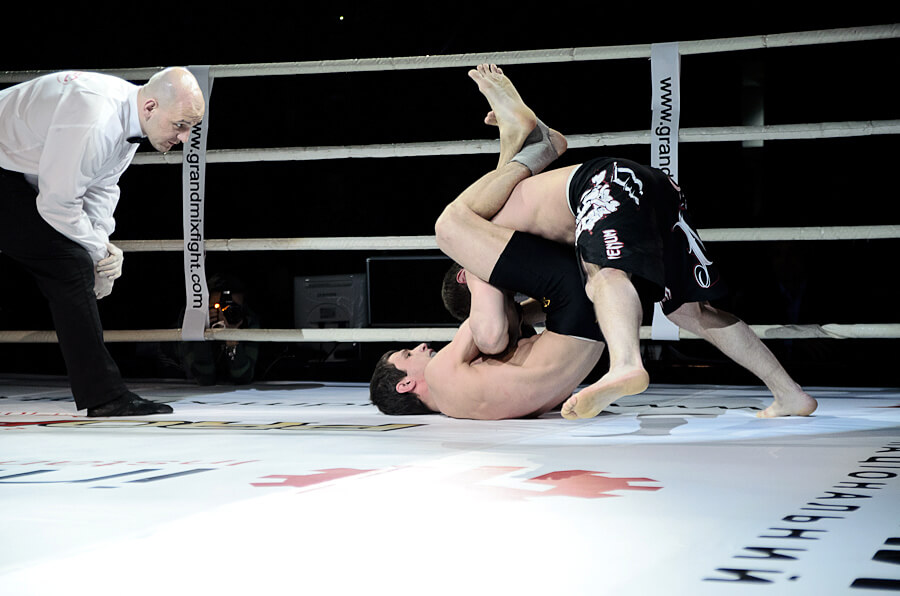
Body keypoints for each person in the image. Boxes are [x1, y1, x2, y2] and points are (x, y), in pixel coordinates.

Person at [434, 63, 816, 420]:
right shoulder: (517, 249)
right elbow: (528, 293)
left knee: (599, 273)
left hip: (601, 187)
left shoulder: (479, 246)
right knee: (690, 311)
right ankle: (789, 392)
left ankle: (626, 364)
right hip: (647, 187)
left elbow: (491, 321)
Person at [369, 81, 606, 420]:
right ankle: (530, 149)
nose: (420, 346)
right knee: (454, 226)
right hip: (572, 309)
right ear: (405, 385)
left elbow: (510, 330)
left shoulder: (467, 401)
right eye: (408, 355)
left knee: (478, 231)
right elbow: (492, 334)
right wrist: (474, 263)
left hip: (590, 328)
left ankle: (519, 145)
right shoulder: (440, 375)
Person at [0, 67, 205, 416]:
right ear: (151, 107)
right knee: (70, 265)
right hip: (10, 169)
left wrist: (102, 250)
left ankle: (104, 394)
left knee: (74, 262)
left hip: (14, 167)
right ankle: (105, 396)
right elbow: (58, 204)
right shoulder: (96, 119)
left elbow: (101, 187)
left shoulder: (129, 117)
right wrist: (97, 254)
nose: (185, 138)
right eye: (181, 125)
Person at [179, 273, 260, 386]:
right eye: (219, 307)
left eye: (233, 308)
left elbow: (243, 377)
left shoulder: (247, 320)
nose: (226, 313)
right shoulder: (191, 318)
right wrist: (203, 331)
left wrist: (232, 339)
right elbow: (204, 377)